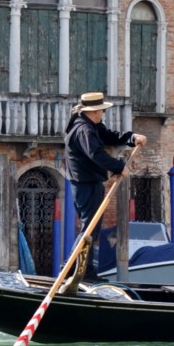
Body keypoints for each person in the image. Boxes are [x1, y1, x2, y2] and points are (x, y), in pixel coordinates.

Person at [63, 91, 145, 277]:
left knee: (92, 229)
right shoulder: (84, 129)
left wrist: (132, 138)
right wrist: (118, 167)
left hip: (90, 182)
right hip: (86, 184)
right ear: (95, 111)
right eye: (102, 110)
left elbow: (109, 136)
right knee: (89, 229)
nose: (103, 114)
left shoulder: (92, 126)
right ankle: (72, 270)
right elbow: (95, 154)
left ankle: (84, 271)